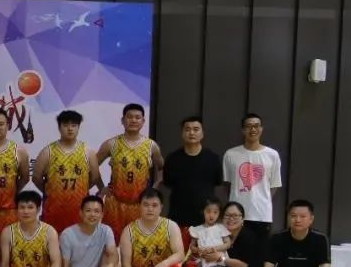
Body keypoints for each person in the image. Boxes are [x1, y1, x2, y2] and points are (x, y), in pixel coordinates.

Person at [96, 104, 164, 238]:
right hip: (115, 203)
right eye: (130, 117)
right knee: (112, 242)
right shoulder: (111, 144)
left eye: (137, 117)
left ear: (143, 121)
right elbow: (92, 166)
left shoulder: (151, 146)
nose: (133, 120)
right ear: (123, 120)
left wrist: (155, 188)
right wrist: (101, 188)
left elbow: (161, 167)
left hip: (139, 204)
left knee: (139, 241)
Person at [33, 110, 99, 235]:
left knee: (80, 243)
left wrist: (81, 189)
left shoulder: (88, 152)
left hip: (80, 211)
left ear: (78, 127)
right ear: (59, 127)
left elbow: (95, 177)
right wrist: (51, 191)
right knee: (53, 244)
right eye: (66, 125)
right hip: (54, 211)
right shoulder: (47, 152)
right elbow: (36, 178)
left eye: (74, 125)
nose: (70, 129)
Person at [162, 116, 222, 249]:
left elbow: (217, 182)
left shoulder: (213, 158)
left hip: (205, 221)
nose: (192, 133)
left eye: (196, 129)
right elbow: (168, 183)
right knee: (178, 256)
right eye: (187, 129)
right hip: (178, 218)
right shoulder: (172, 158)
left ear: (202, 133)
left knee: (204, 257)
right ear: (182, 133)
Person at [223, 113, 282, 244]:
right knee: (234, 251)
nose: (253, 129)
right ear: (243, 130)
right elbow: (227, 184)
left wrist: (262, 199)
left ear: (261, 129)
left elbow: (274, 186)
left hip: (262, 215)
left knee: (259, 252)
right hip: (235, 215)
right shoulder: (230, 154)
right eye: (249, 126)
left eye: (256, 126)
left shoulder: (272, 155)